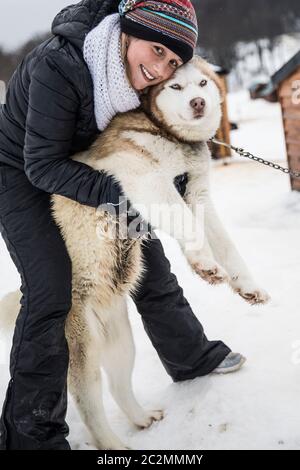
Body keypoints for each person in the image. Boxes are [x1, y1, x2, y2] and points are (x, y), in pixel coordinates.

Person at [0, 0, 245, 450]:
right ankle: (30, 434)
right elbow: (43, 165)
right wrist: (131, 198)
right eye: (155, 51)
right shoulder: (62, 64)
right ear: (127, 34)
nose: (160, 68)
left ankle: (189, 356)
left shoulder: (136, 78)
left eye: (172, 62)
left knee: (148, 260)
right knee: (54, 288)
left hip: (86, 163)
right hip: (22, 170)